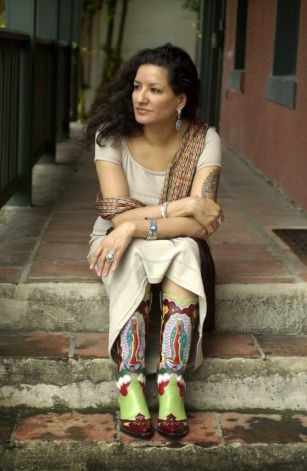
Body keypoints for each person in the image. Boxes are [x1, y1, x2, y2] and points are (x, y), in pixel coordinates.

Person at [83, 43, 223, 439]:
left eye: (155, 89)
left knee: (184, 251)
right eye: (137, 86)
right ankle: (129, 381)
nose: (140, 97)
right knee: (132, 251)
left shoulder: (204, 139)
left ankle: (172, 381)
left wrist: (134, 224)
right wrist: (179, 206)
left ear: (180, 98)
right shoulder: (109, 136)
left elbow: (202, 224)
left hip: (175, 240)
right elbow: (114, 215)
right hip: (115, 242)